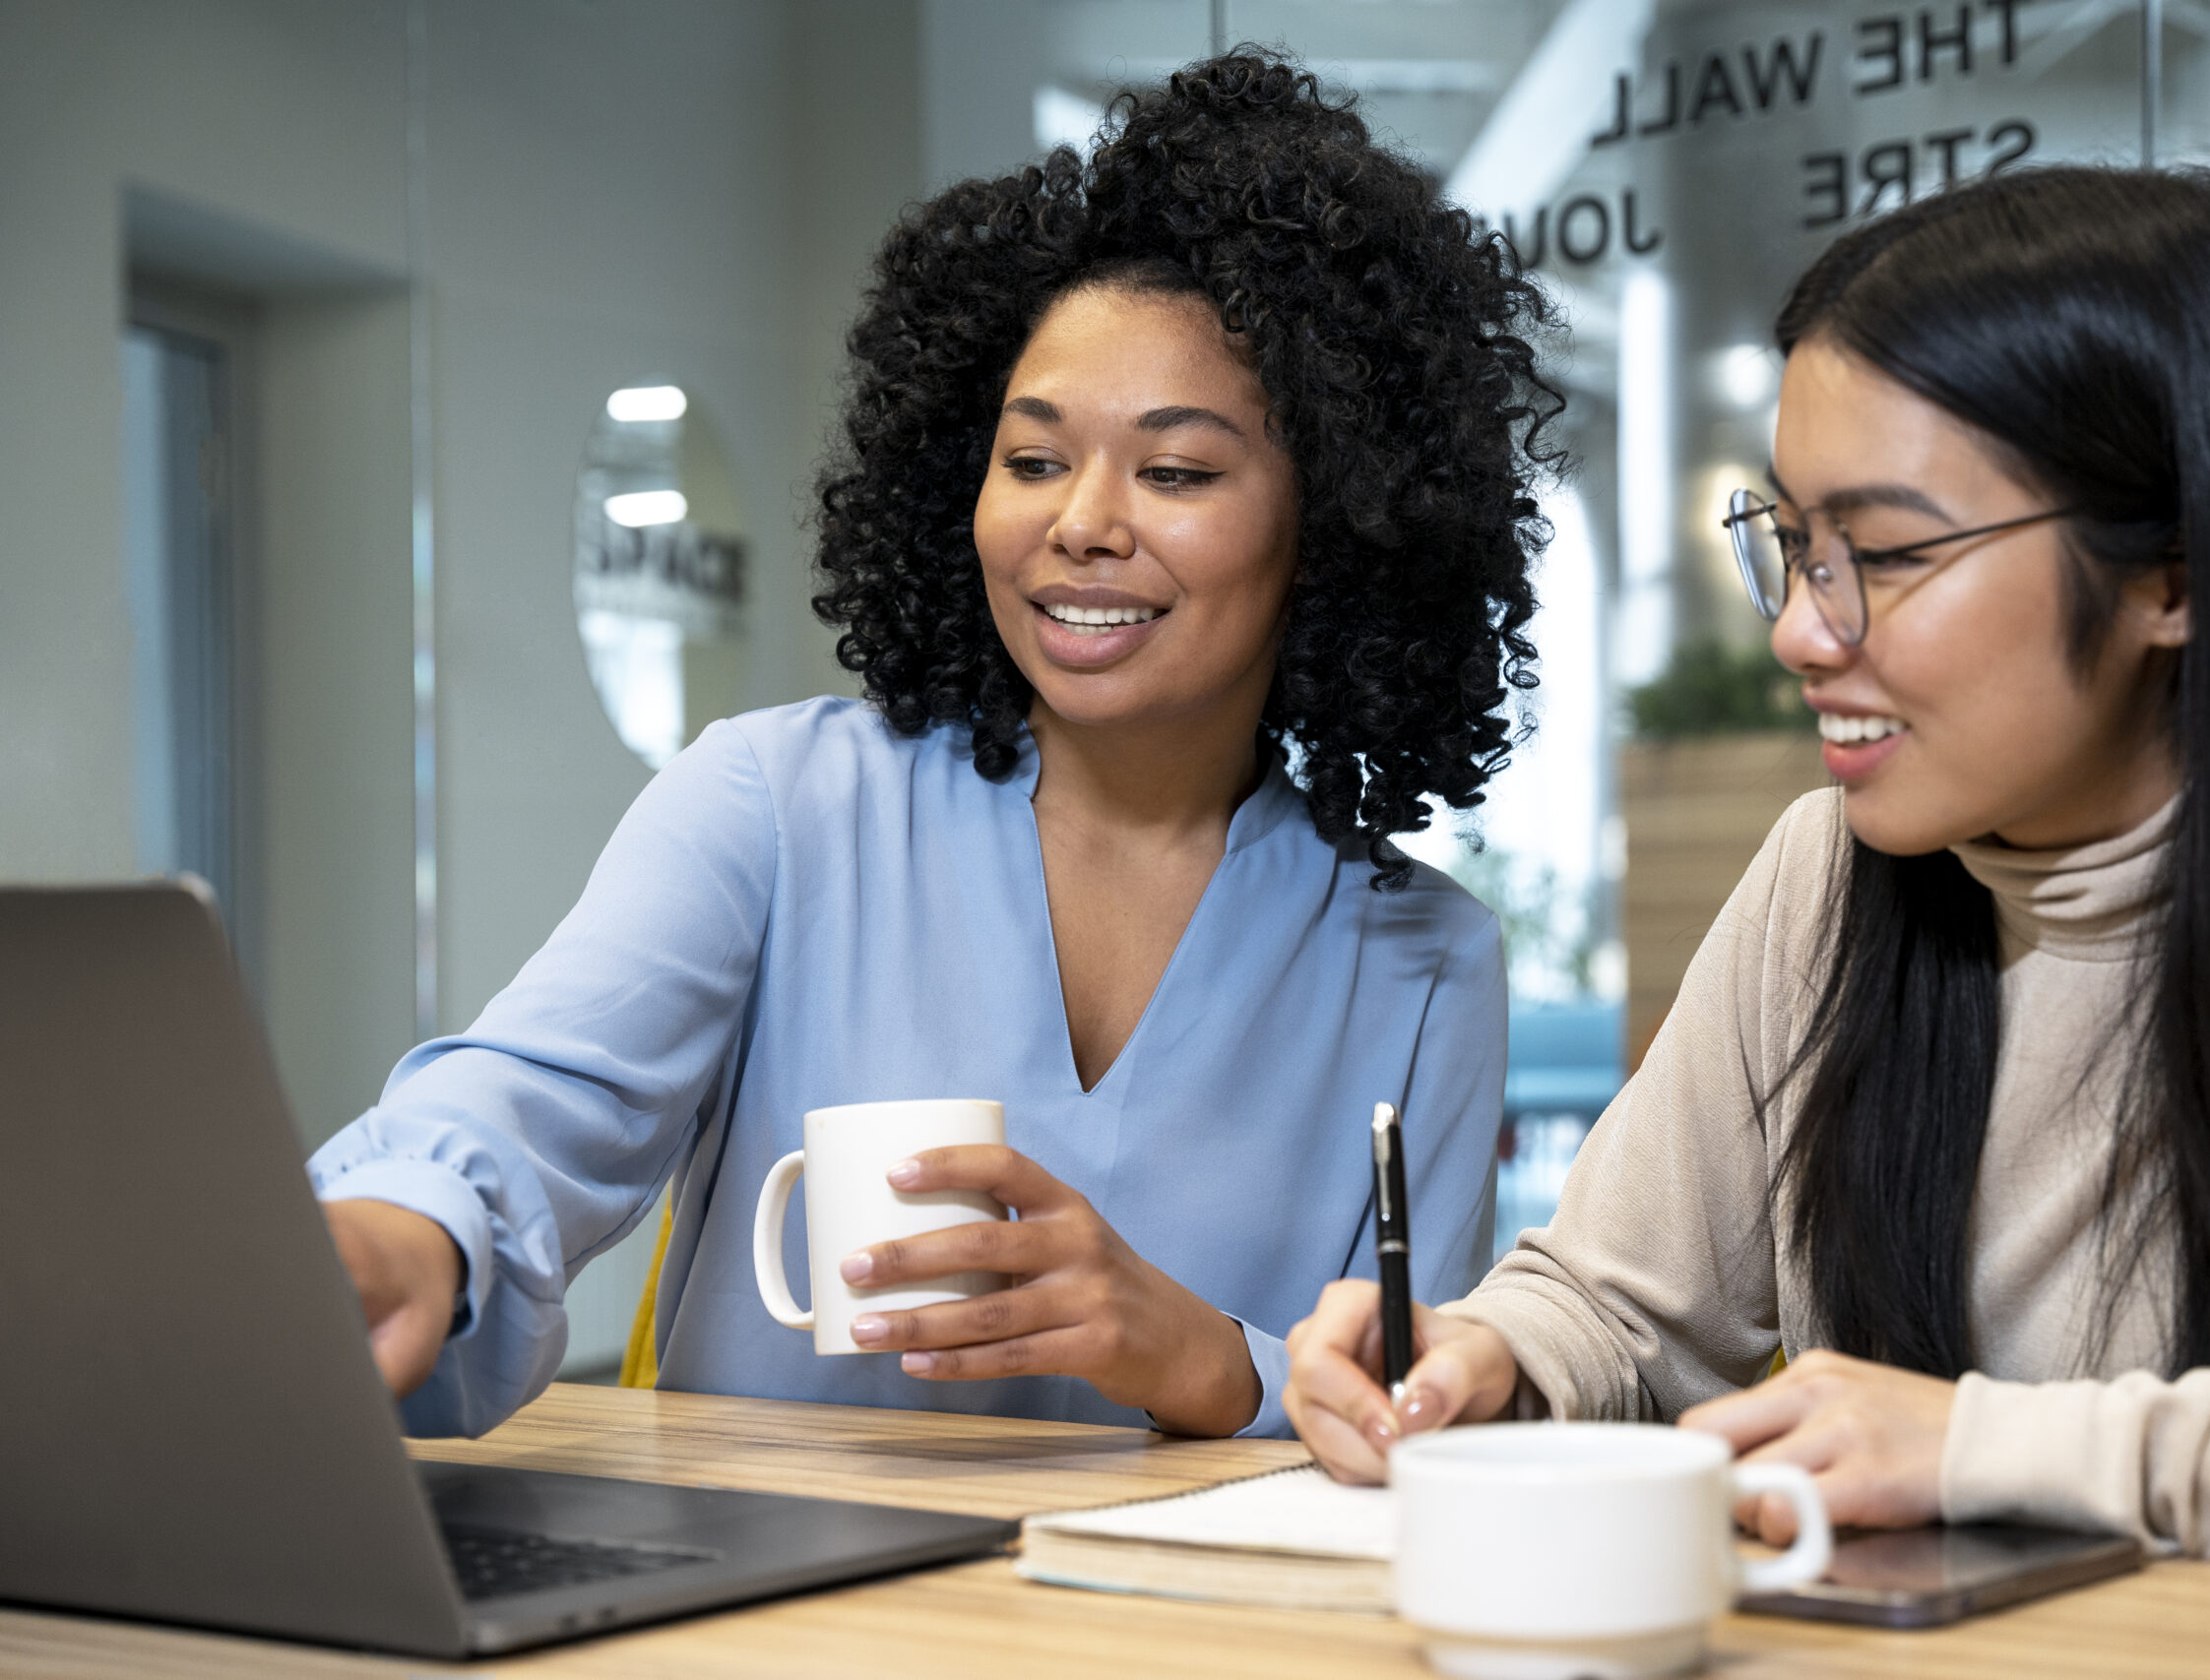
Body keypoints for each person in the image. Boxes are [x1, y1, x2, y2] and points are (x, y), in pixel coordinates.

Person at [1286, 164, 2210, 1578]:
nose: (1806, 634)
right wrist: (1481, 1359)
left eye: (1883, 552)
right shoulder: (1830, 883)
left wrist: (1993, 1450)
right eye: (1799, 549)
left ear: (2175, 575)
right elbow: (1619, 1308)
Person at [310, 53, 1562, 1441]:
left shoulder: (1424, 966)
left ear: (1336, 527)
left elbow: (1422, 1406)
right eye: (1032, 460)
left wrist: (1211, 1361)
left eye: (1178, 471)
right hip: (772, 1630)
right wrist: (404, 1228)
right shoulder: (778, 807)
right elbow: (537, 1100)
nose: (1081, 521)